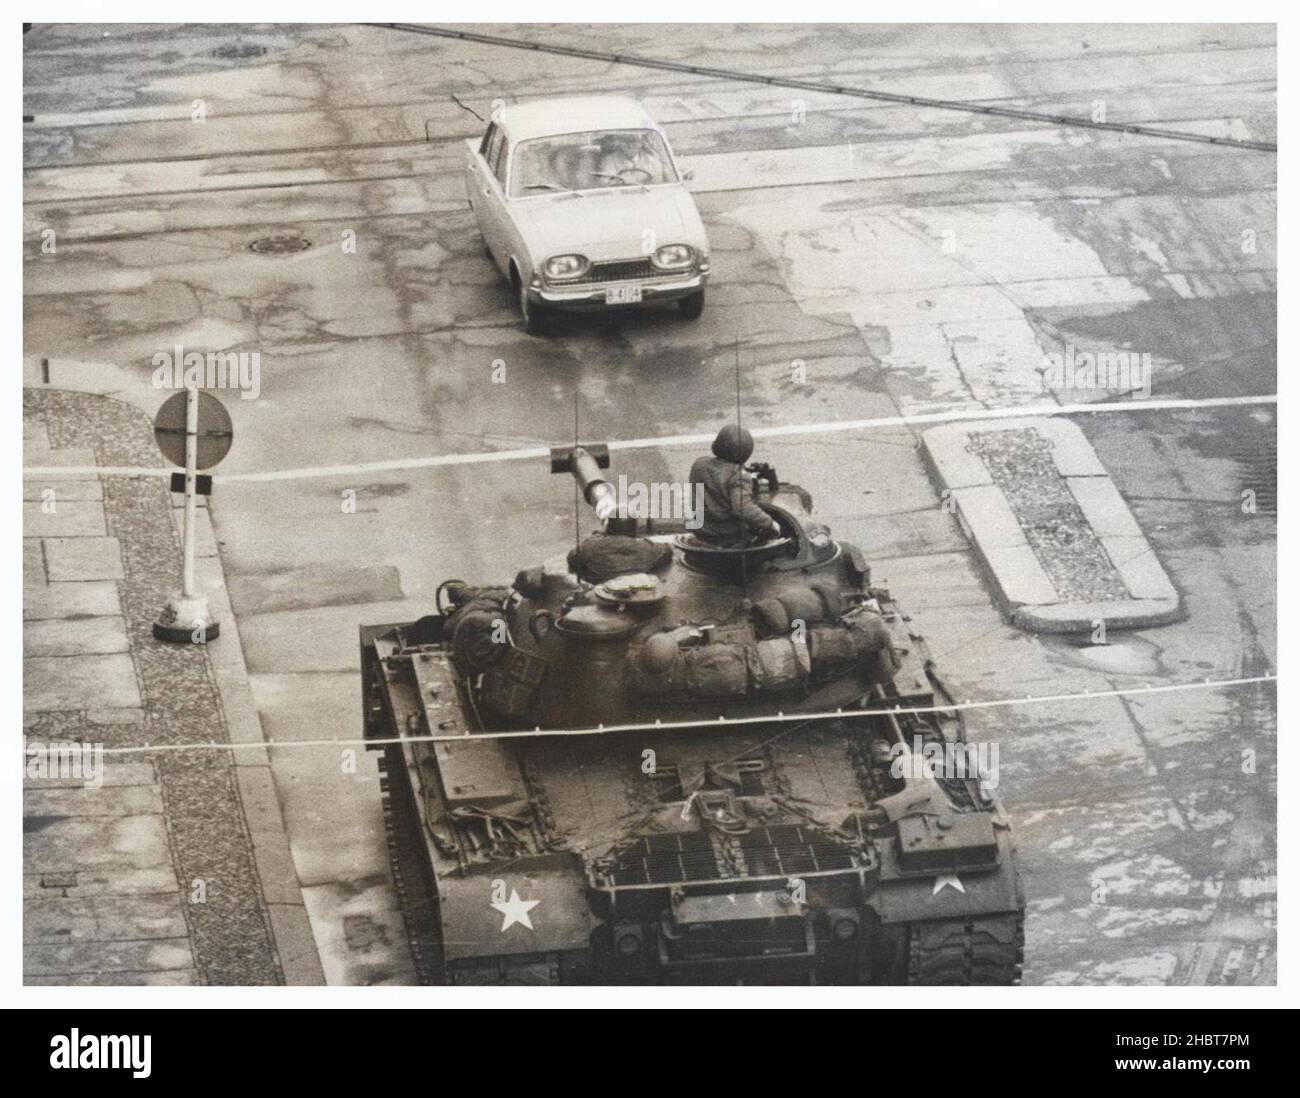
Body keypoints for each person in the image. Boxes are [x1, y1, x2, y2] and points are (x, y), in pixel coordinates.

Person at [689, 425, 782, 546]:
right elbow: (743, 509)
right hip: (726, 534)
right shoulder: (739, 476)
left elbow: (717, 478)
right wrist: (770, 523)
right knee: (766, 535)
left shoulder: (699, 464)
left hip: (699, 527)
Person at [596, 132, 663, 184]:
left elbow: (659, 185)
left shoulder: (653, 162)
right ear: (620, 143)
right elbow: (604, 182)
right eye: (625, 141)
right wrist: (620, 182)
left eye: (633, 141)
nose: (629, 145)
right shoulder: (609, 161)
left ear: (640, 143)